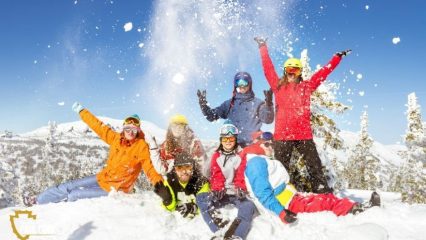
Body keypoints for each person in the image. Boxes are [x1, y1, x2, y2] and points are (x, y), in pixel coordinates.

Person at [254, 37, 352, 193]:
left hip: (303, 135)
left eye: (296, 70)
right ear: (285, 71)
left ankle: (321, 191)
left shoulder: (307, 87)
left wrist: (336, 58)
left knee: (314, 166)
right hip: (283, 136)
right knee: (280, 168)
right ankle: (279, 193)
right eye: (289, 70)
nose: (292, 73)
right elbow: (268, 68)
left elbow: (323, 73)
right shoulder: (278, 86)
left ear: (300, 72)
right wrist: (262, 47)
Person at [23, 102, 164, 206]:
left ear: (138, 130)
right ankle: (38, 200)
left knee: (75, 195)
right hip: (103, 177)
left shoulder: (141, 147)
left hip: (117, 188)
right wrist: (82, 111)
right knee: (69, 185)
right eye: (127, 128)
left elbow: (150, 169)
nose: (130, 132)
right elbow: (97, 126)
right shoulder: (115, 138)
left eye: (134, 129)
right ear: (123, 128)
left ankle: (56, 208)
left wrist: (160, 186)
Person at [242, 131, 381, 224]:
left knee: (326, 198)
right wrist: (281, 212)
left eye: (272, 144)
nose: (271, 147)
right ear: (256, 145)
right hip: (286, 205)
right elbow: (262, 193)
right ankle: (357, 211)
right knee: (326, 202)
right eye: (266, 144)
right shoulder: (256, 162)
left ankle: (353, 207)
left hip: (292, 199)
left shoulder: (262, 159)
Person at [196, 123, 256, 240]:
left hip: (237, 193)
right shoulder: (216, 156)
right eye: (225, 139)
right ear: (221, 140)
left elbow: (241, 173)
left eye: (231, 138)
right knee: (201, 198)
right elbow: (216, 174)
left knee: (248, 206)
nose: (228, 141)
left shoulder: (241, 155)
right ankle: (219, 230)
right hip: (222, 193)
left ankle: (236, 235)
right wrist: (218, 188)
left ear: (235, 139)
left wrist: (240, 187)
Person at [197, 71, 274, 147]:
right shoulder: (229, 104)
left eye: (245, 82)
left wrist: (269, 105)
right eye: (238, 83)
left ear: (249, 84)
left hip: (254, 145)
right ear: (235, 85)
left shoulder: (258, 103)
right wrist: (203, 105)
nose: (242, 86)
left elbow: (268, 120)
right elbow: (211, 116)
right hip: (235, 146)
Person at [153, 151, 209, 219]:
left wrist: (194, 208)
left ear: (193, 168)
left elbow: (207, 207)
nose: (184, 172)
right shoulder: (170, 182)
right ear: (175, 169)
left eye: (188, 167)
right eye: (179, 168)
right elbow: (169, 210)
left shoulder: (201, 182)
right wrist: (167, 200)